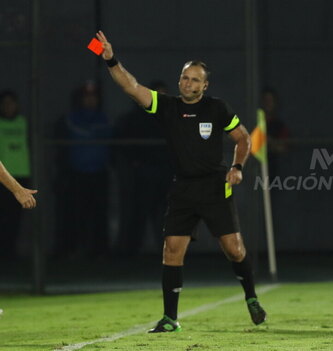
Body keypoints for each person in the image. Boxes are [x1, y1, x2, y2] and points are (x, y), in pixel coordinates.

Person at [95, 30, 266, 332]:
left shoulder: (217, 108)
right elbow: (132, 87)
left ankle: (251, 297)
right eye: (185, 78)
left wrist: (238, 166)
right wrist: (110, 59)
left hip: (215, 186)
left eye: (195, 79)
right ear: (180, 81)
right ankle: (170, 319)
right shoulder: (168, 107)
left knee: (234, 250)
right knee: (171, 249)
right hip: (183, 189)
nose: (189, 83)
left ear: (205, 85)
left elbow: (242, 138)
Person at [53, 81, 112, 258]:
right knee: (74, 214)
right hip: (76, 175)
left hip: (99, 174)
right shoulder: (70, 119)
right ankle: (70, 250)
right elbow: (78, 134)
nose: (90, 100)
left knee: (99, 215)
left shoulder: (103, 118)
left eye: (93, 97)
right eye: (87, 97)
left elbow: (106, 133)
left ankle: (99, 251)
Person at [115, 81, 171, 255]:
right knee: (138, 213)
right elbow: (124, 145)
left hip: (166, 173)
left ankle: (168, 252)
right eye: (157, 94)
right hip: (143, 174)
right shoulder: (135, 119)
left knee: (166, 215)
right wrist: (135, 163)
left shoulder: (171, 118)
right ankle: (131, 252)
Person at [0, 91, 35, 258]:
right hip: (3, 179)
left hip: (21, 176)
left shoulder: (23, 123)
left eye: (11, 103)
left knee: (14, 219)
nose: (8, 107)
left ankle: (9, 253)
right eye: (5, 103)